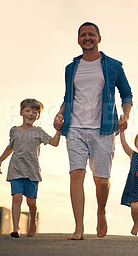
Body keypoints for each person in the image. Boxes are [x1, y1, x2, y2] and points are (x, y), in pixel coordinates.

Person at [53, 22, 133, 240]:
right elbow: (68, 96)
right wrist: (60, 113)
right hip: (75, 128)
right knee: (76, 175)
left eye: (91, 34)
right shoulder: (71, 68)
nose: (87, 38)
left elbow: (127, 94)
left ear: (99, 38)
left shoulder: (113, 65)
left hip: (104, 129)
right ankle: (78, 228)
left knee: (102, 180)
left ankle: (101, 211)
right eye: (83, 35)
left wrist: (125, 115)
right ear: (78, 39)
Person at [0, 98, 61, 238]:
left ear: (38, 116)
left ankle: (33, 220)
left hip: (32, 171)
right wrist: (0, 161)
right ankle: (16, 228)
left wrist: (58, 131)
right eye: (28, 110)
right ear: (21, 112)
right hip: (16, 170)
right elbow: (10, 148)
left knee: (31, 202)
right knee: (17, 197)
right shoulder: (14, 131)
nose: (31, 114)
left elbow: (54, 143)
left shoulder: (39, 132)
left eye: (35, 112)